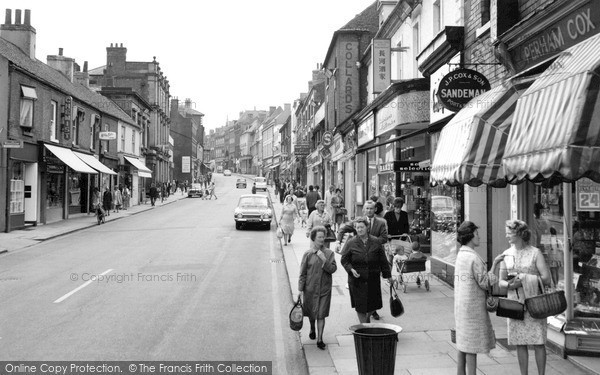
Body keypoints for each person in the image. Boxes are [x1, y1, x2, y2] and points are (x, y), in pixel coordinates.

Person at [499, 219, 551, 375]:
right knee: (519, 342)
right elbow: (500, 281)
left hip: (534, 303)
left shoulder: (535, 253)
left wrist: (525, 278)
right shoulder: (506, 254)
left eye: (509, 233)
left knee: (538, 341)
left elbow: (546, 278)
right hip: (514, 303)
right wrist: (509, 285)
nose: (506, 235)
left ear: (519, 234)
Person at [454, 221, 505, 375]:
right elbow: (484, 282)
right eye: (477, 234)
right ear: (470, 236)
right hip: (472, 308)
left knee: (463, 343)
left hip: (462, 305)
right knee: (472, 345)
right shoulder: (473, 258)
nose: (479, 237)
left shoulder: (461, 254)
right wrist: (495, 265)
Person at [341, 217, 392, 323]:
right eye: (357, 227)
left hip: (372, 278)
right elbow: (344, 260)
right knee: (360, 306)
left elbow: (383, 260)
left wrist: (388, 276)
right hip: (357, 280)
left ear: (367, 227)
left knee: (373, 305)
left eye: (361, 227)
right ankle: (364, 328)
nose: (359, 230)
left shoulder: (376, 241)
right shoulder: (351, 242)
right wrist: (351, 269)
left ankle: (367, 319)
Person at [298, 226, 337, 350]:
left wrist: (324, 259)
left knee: (321, 314)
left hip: (324, 289)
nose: (322, 239)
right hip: (310, 289)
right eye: (319, 237)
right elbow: (302, 273)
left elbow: (332, 269)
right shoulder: (307, 254)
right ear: (313, 238)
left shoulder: (329, 253)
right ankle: (312, 328)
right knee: (311, 313)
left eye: (323, 237)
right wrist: (300, 290)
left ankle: (320, 339)